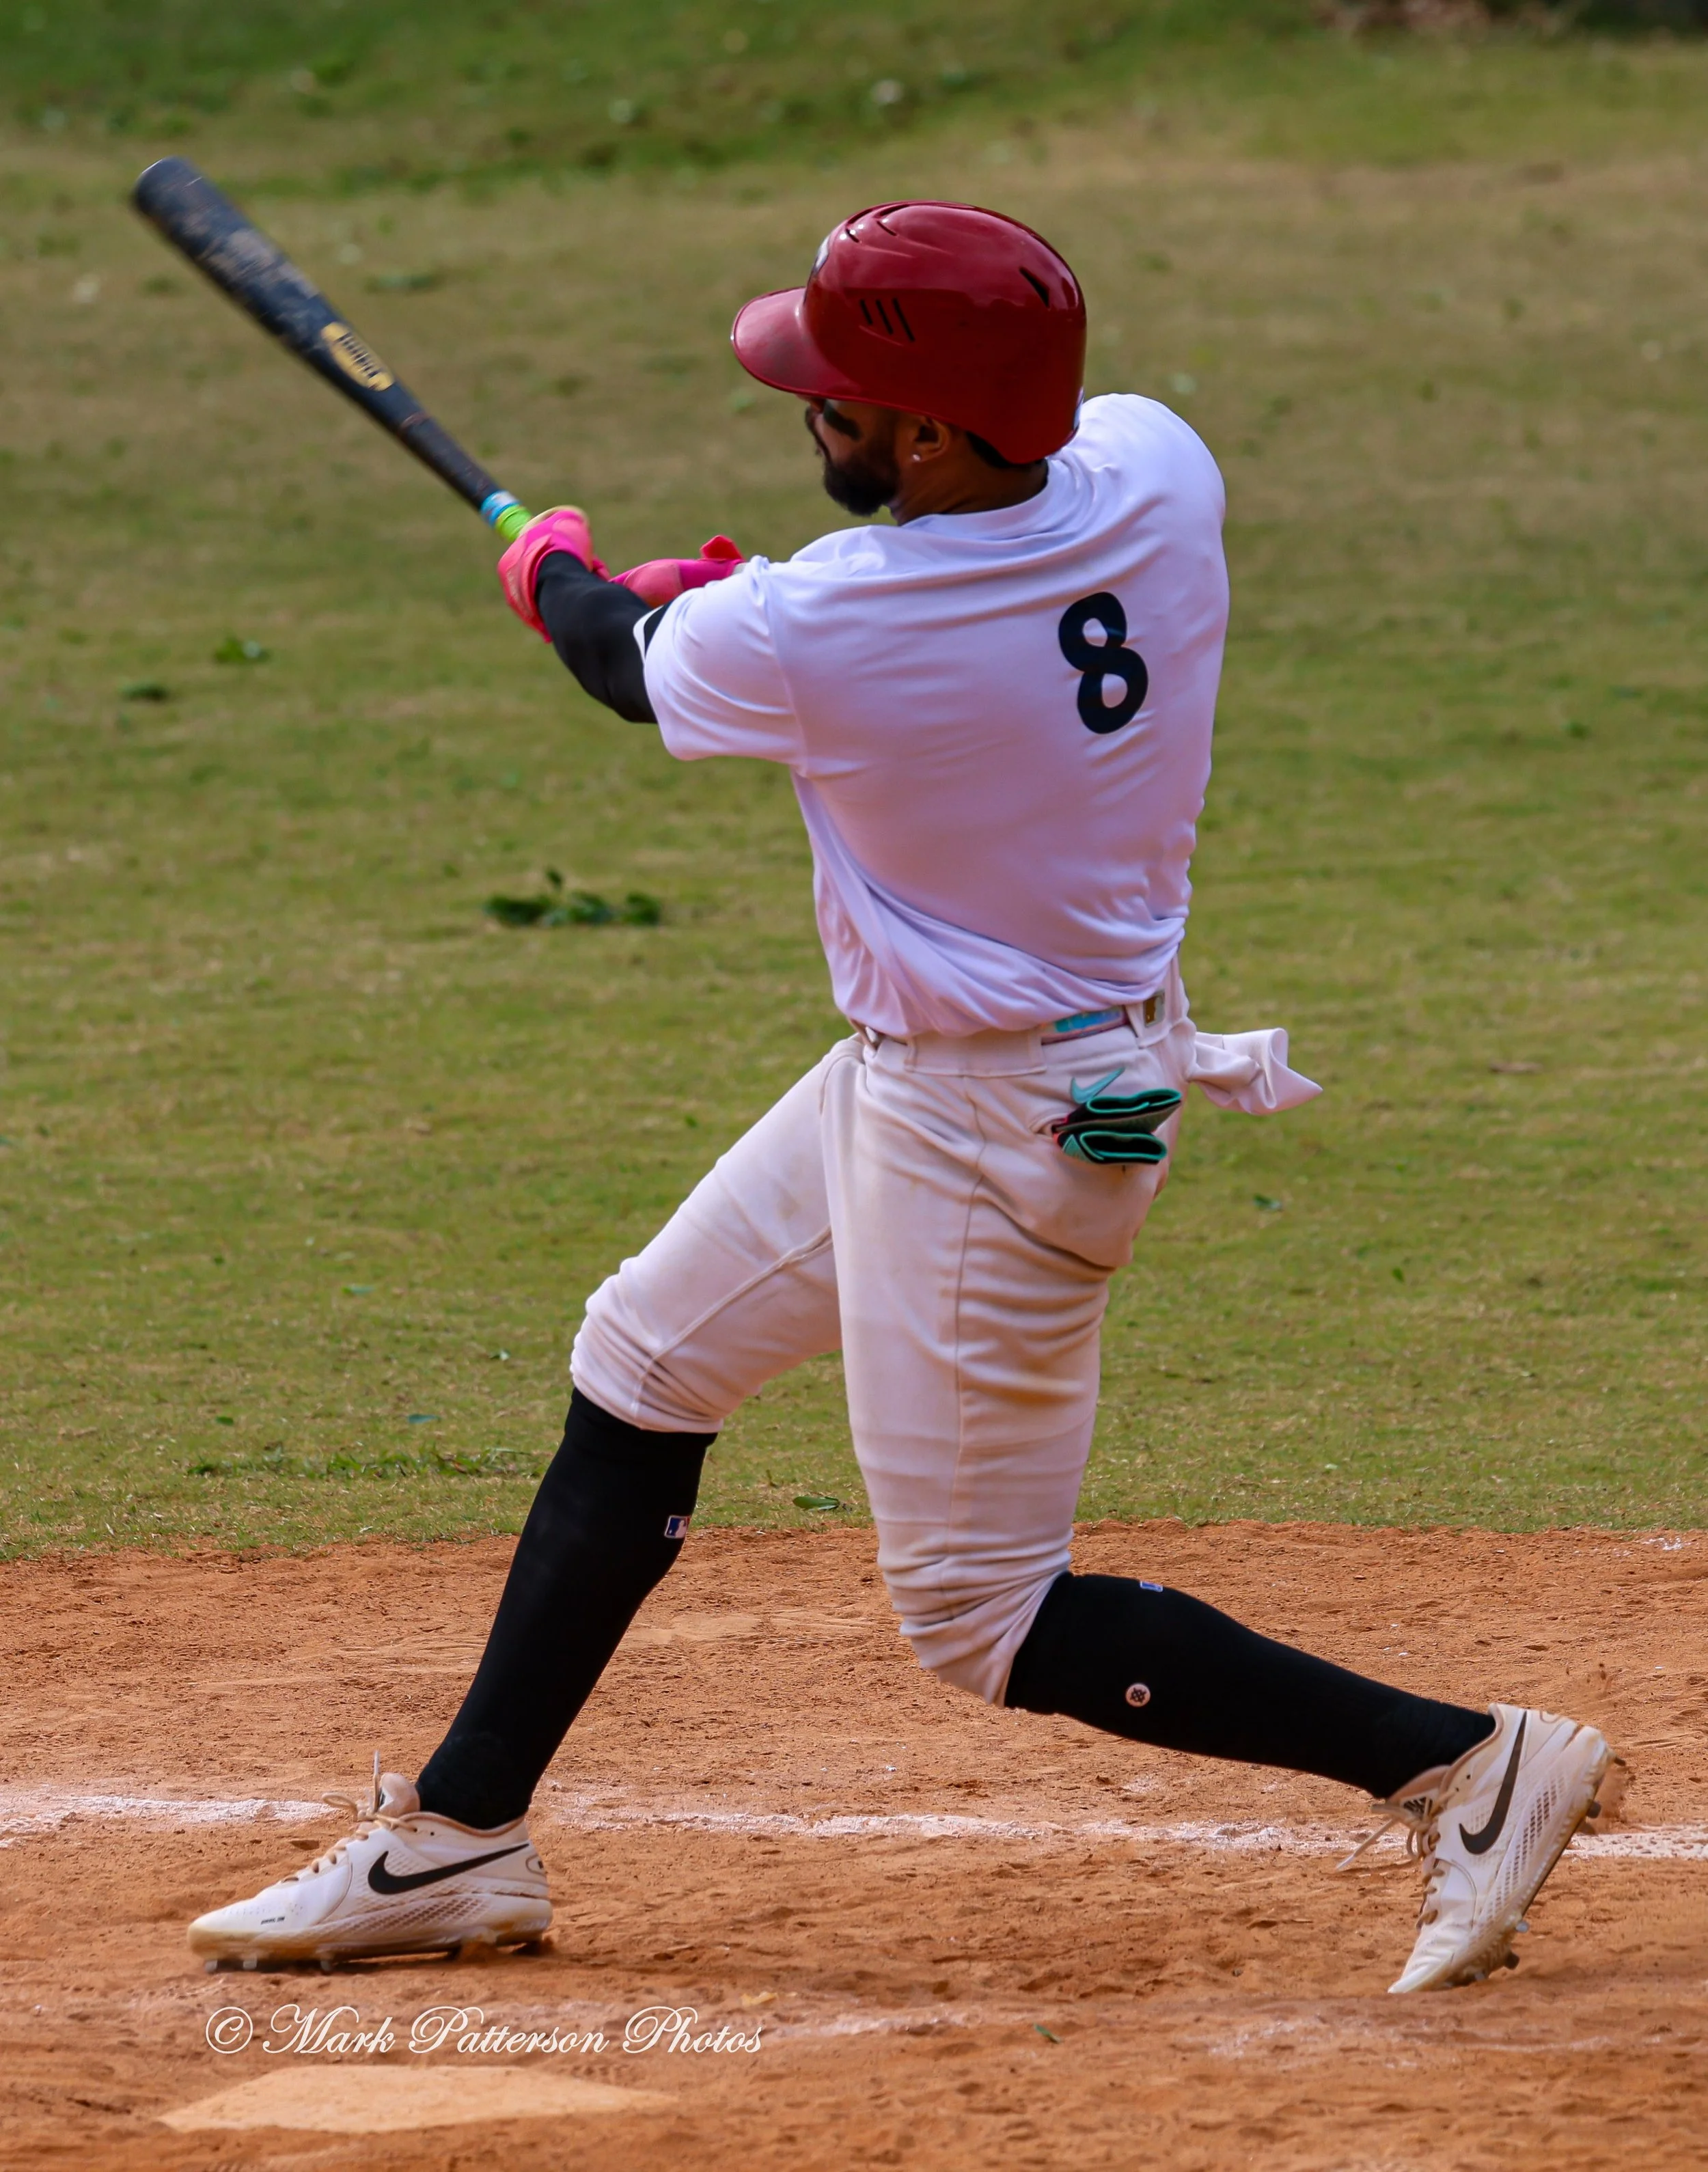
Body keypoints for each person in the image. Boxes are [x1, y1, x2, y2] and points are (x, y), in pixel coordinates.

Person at [189, 202, 1614, 1995]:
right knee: (644, 1359)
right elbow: (811, 629)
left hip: (997, 1132)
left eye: (842, 398)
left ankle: (1468, 1765)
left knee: (979, 1616)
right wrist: (715, 607)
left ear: (932, 436)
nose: (812, 415)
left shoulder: (834, 623)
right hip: (979, 1073)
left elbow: (626, 667)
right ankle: (456, 1841)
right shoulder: (1153, 469)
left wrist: (554, 565)